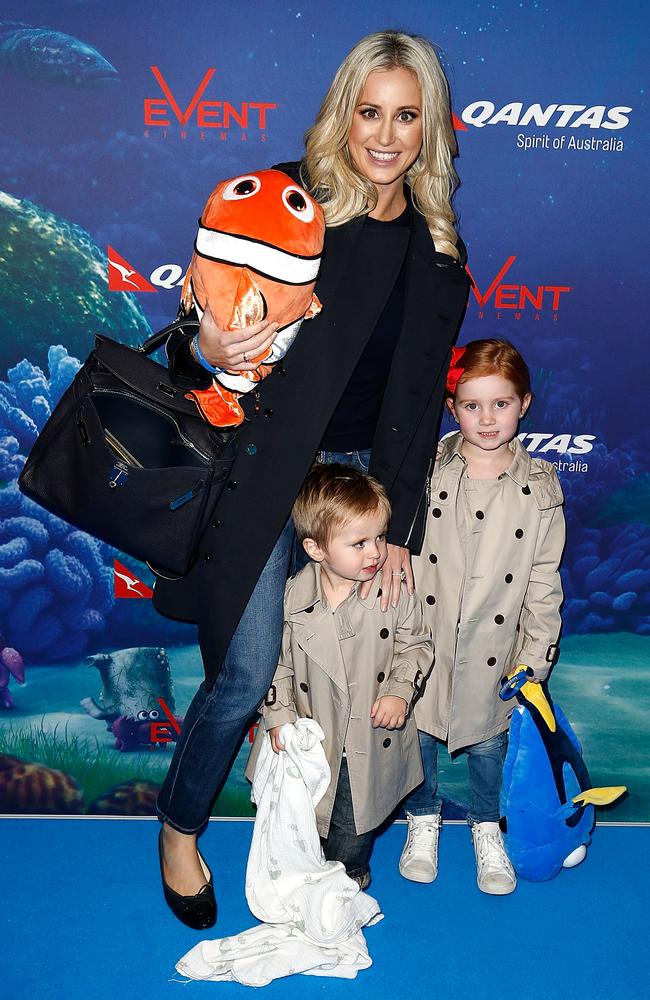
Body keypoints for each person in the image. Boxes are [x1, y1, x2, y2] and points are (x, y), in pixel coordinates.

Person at [153, 29, 470, 928]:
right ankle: (180, 828)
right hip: (260, 470)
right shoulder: (285, 200)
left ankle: (325, 832)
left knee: (350, 672)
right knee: (250, 669)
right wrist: (207, 343)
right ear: (344, 111)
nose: (385, 134)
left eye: (406, 115)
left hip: (361, 491)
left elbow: (416, 398)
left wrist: (399, 527)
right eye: (370, 111)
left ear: (430, 125)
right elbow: (194, 344)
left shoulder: (436, 241)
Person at [397, 339, 565, 895]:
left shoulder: (540, 488)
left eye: (501, 403)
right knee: (418, 731)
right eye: (472, 405)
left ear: (525, 404)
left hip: (496, 642)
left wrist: (535, 654)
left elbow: (543, 579)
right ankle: (422, 821)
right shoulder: (423, 470)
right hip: (425, 634)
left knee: (491, 741)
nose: (487, 418)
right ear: (452, 408)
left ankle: (486, 825)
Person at [248, 464, 431, 889]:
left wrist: (399, 693)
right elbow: (272, 661)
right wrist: (279, 714)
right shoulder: (291, 594)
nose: (376, 553)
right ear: (316, 548)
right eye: (360, 543)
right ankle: (305, 876)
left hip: (367, 738)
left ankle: (349, 876)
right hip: (310, 739)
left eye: (381, 537)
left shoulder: (395, 590)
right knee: (301, 819)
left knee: (354, 825)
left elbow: (417, 645)